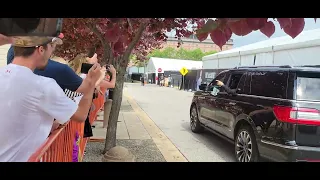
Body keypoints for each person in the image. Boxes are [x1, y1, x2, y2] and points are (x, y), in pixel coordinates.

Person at [0, 36, 102, 162]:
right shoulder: (43, 86)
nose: (51, 53)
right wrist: (91, 82)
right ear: (41, 49)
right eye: (51, 47)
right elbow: (81, 115)